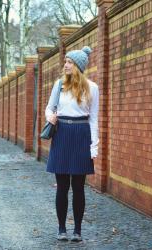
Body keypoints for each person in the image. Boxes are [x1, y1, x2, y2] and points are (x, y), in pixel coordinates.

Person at [45, 46, 99, 242]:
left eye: (69, 62)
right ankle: (61, 229)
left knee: (78, 185)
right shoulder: (59, 85)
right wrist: (50, 116)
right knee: (62, 185)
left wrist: (94, 146)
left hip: (81, 134)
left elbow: (93, 119)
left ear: (77, 66)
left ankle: (77, 230)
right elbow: (49, 107)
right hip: (62, 134)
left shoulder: (92, 88)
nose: (65, 65)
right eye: (65, 61)